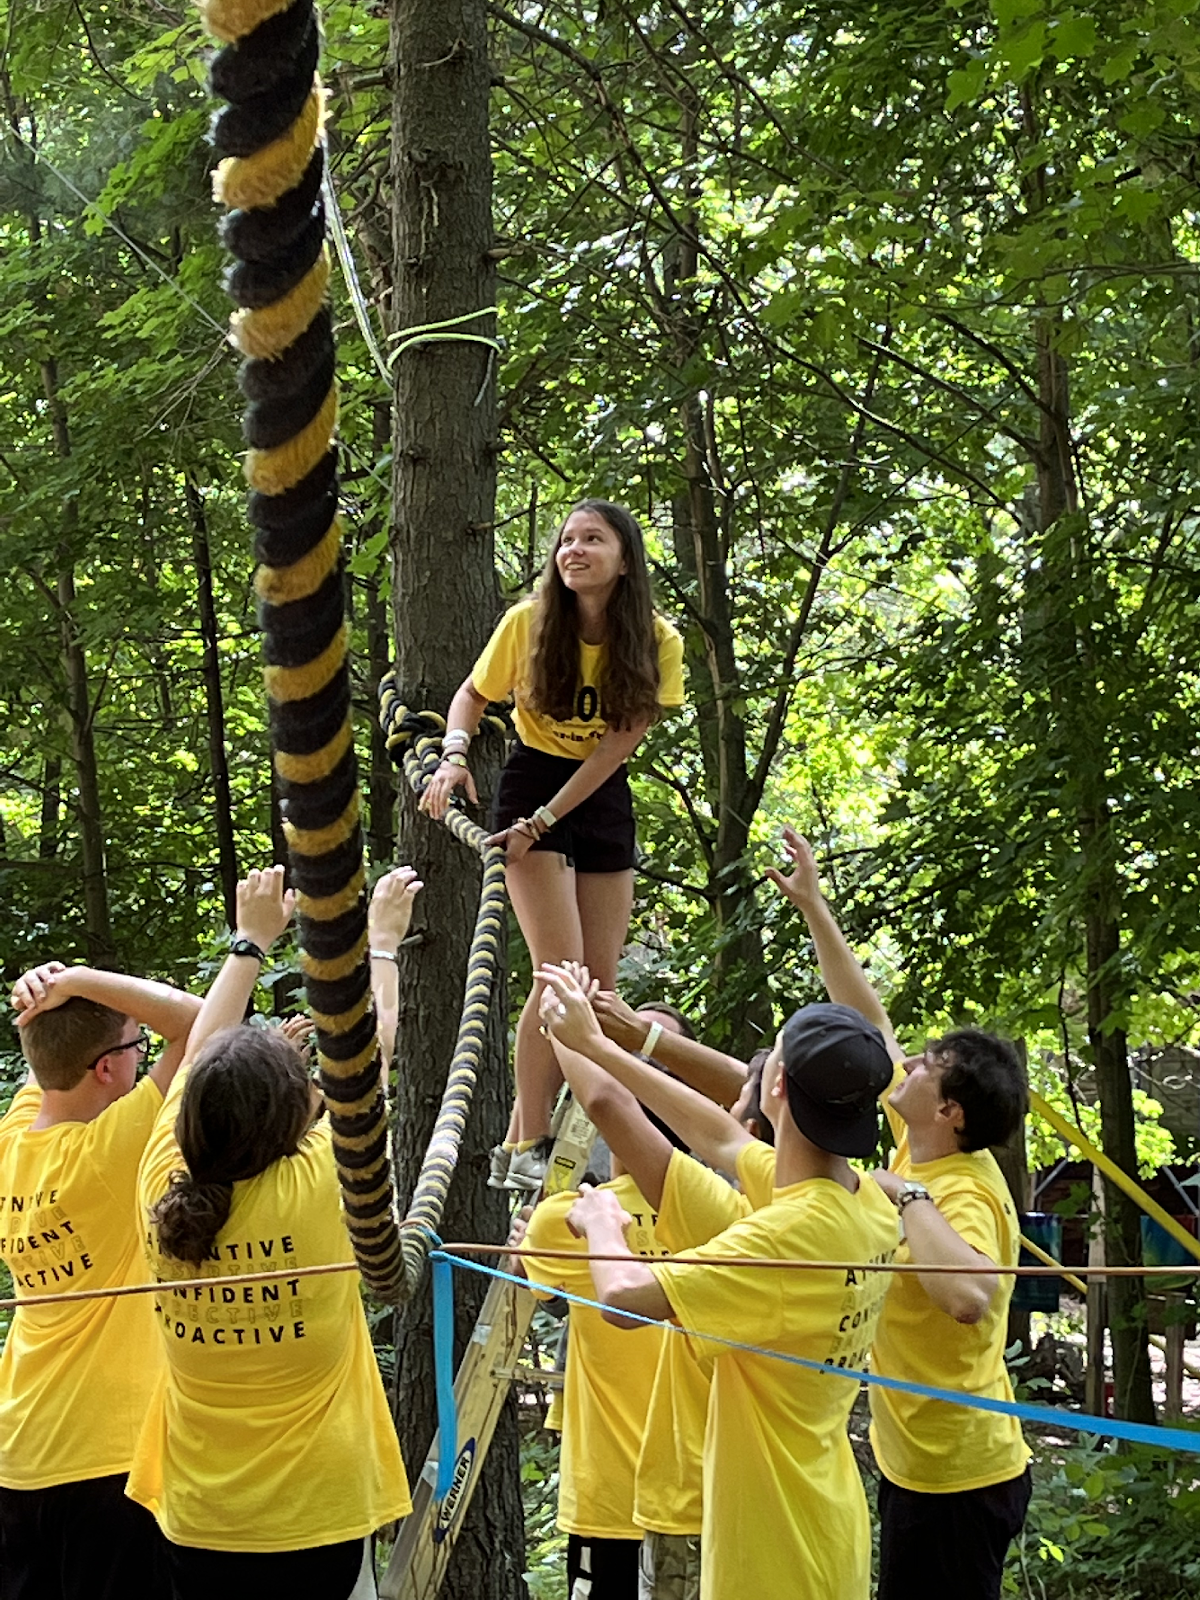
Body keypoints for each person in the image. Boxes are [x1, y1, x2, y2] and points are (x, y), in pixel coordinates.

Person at [538, 963, 899, 1600]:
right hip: (826, 1529)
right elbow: (724, 1138)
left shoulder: (786, 1237)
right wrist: (597, 1043)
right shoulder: (860, 1201)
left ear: (777, 1085)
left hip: (771, 1560)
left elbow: (623, 1301)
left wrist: (601, 1222)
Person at [126, 865, 417, 1600]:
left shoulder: (161, 1183)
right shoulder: (320, 1186)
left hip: (198, 1518)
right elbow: (372, 1053)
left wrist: (250, 941)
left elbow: (199, 1051)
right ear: (295, 1119)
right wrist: (381, 943)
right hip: (315, 1515)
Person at [769, 828, 1031, 1600]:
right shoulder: (919, 1142)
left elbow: (970, 1295)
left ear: (948, 1110)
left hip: (961, 1477)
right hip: (914, 1465)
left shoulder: (962, 1189)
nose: (906, 1062)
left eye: (926, 1065)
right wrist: (815, 906)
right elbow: (863, 1014)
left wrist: (904, 1194)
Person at [418, 499, 685, 1190]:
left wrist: (549, 817)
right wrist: (453, 757)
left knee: (594, 986)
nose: (574, 550)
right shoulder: (528, 623)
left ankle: (554, 1132)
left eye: (592, 540)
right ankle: (525, 1134)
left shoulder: (657, 640)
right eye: (566, 540)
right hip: (532, 779)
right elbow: (471, 696)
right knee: (557, 972)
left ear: (624, 559)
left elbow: (617, 748)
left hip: (599, 791)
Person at [537, 968, 750, 1600]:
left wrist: (563, 1024)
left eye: (646, 1067)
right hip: (625, 1496)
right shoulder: (744, 1213)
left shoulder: (571, 1220)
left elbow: (606, 1103)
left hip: (692, 1490)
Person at [0, 959, 201, 1600]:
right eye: (136, 1047)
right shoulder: (107, 1156)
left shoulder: (11, 1141)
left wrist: (45, 995)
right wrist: (79, 978)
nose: (145, 1057)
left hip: (18, 1451)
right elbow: (201, 1024)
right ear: (108, 1069)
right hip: (109, 1461)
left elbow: (51, 1055)